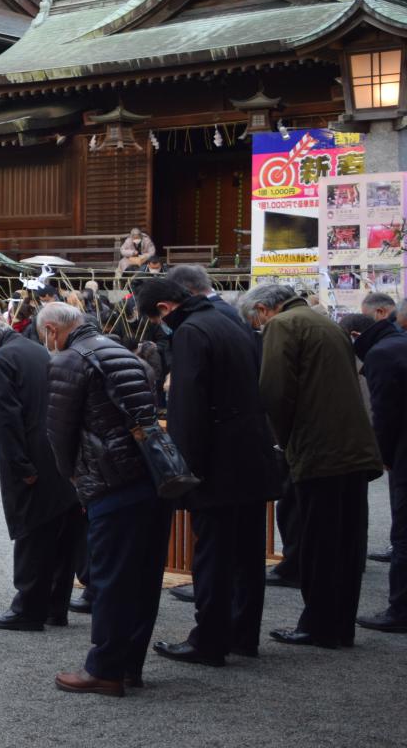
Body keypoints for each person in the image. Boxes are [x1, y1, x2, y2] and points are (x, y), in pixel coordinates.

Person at [134, 278, 279, 666]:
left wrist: (182, 469)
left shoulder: (191, 332)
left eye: (155, 319)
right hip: (251, 450)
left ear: (165, 309)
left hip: (217, 460)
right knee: (248, 551)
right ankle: (243, 634)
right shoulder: (229, 318)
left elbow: (189, 406)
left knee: (213, 553)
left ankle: (209, 640)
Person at [39, 302, 170, 697]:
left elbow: (59, 436)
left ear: (51, 329)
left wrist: (75, 477)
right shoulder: (128, 357)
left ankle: (105, 669)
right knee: (144, 578)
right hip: (153, 476)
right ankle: (130, 665)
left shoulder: (69, 361)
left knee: (110, 577)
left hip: (111, 479)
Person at [243, 283, 382, 649]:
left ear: (263, 309)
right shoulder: (325, 322)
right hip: (353, 447)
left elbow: (273, 390)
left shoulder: (283, 325)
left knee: (318, 542)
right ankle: (340, 626)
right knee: (346, 542)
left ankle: (318, 626)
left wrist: (282, 442)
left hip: (319, 449)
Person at [0, 318, 81, 633]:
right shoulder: (37, 349)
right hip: (58, 452)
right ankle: (55, 608)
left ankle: (28, 609)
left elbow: (6, 419)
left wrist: (20, 466)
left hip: (31, 457)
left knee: (33, 531)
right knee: (61, 533)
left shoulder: (2, 360)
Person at [349, 292, 407, 632]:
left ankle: (400, 610)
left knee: (403, 535)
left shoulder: (384, 353)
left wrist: (381, 456)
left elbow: (384, 415)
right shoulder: (395, 347)